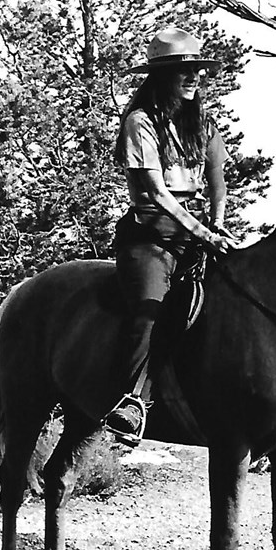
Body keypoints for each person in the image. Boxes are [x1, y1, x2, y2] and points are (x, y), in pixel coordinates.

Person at [105, 27, 236, 446]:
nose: (194, 78)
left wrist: (215, 224)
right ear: (161, 77)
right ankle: (133, 401)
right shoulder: (140, 122)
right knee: (150, 310)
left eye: (197, 70)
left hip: (196, 235)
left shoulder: (204, 124)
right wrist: (204, 232)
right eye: (184, 72)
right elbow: (157, 193)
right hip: (152, 235)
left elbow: (218, 182)